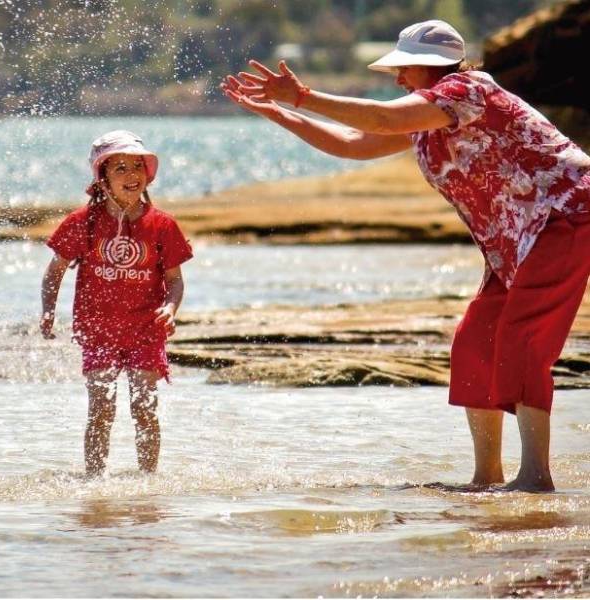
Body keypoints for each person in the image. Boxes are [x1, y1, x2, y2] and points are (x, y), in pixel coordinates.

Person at [222, 20, 590, 492]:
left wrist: (302, 97)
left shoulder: (467, 90)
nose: (397, 77)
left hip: (564, 217)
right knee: (475, 342)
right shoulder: (427, 118)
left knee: (522, 340)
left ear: (431, 66)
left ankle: (535, 477)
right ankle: (487, 478)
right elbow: (353, 144)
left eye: (404, 68)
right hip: (515, 240)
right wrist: (280, 113)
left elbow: (381, 119)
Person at [40, 130, 193, 477]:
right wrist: (48, 308)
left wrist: (170, 308)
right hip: (98, 331)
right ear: (103, 177)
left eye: (137, 166)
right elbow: (54, 271)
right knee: (101, 408)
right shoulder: (83, 222)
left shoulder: (162, 225)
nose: (131, 174)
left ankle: (148, 481)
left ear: (147, 174)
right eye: (120, 168)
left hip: (146, 330)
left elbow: (174, 280)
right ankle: (95, 481)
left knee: (144, 406)